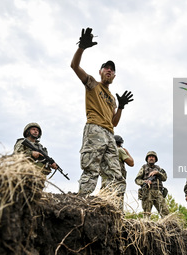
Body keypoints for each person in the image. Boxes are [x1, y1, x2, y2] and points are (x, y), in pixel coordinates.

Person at [70, 27, 133, 205]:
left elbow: (114, 122)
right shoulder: (92, 84)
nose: (109, 70)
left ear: (114, 75)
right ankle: (79, 206)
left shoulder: (112, 98)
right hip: (94, 130)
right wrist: (81, 48)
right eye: (106, 68)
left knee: (116, 177)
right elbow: (74, 66)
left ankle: (113, 211)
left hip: (109, 134)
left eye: (112, 70)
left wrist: (120, 107)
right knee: (91, 171)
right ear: (100, 71)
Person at [135, 151, 169, 218]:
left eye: (153, 157)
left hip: (158, 192)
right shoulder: (144, 168)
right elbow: (137, 180)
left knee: (165, 212)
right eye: (150, 157)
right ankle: (146, 227)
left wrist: (158, 173)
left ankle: (168, 227)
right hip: (147, 192)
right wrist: (145, 182)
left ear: (155, 159)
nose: (151, 158)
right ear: (147, 159)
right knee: (146, 214)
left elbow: (164, 178)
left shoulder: (159, 169)